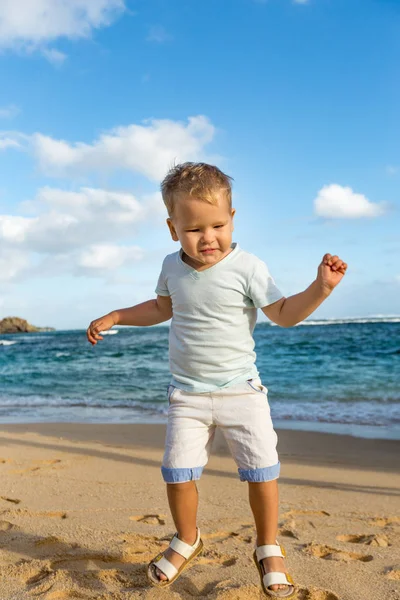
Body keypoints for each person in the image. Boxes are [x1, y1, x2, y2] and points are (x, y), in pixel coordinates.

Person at [86, 162, 347, 598]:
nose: (207, 237)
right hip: (186, 394)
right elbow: (160, 308)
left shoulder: (248, 266)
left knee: (262, 471)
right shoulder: (172, 265)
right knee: (176, 472)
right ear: (173, 229)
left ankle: (268, 547)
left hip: (241, 391)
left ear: (232, 220)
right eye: (193, 229)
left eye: (218, 225)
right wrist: (117, 316)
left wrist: (321, 288)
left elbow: (283, 315)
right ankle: (186, 537)